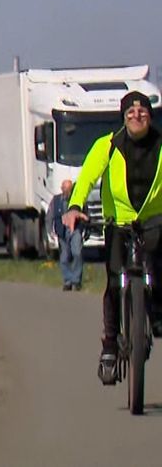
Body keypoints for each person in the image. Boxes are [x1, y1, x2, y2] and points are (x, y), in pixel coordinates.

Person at [63, 90, 162, 384]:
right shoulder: (107, 146)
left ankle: (155, 311)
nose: (137, 116)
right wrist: (75, 207)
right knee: (115, 279)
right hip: (118, 221)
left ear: (150, 116)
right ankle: (109, 346)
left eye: (142, 112)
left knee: (158, 265)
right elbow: (86, 179)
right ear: (123, 118)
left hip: (154, 219)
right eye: (130, 113)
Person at [47, 179, 84, 290]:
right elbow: (49, 216)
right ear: (62, 189)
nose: (67, 191)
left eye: (69, 189)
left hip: (75, 230)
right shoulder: (56, 200)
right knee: (64, 258)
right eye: (65, 189)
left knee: (77, 253)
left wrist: (85, 230)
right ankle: (68, 280)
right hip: (62, 231)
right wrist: (50, 230)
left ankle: (76, 280)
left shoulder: (77, 199)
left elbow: (85, 213)